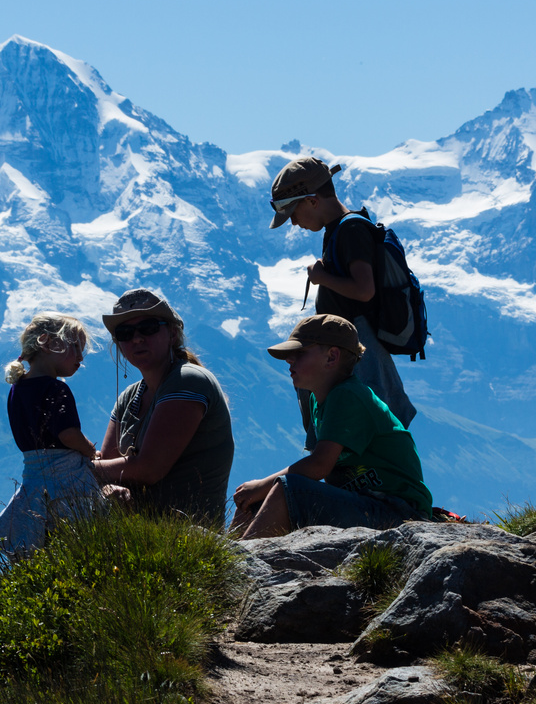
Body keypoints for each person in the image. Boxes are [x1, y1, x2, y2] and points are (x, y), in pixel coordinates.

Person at [232, 314, 432, 539]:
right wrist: (258, 492)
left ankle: (240, 565)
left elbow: (319, 466)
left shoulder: (347, 395)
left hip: (396, 511)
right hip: (366, 504)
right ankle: (228, 558)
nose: (289, 360)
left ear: (331, 357)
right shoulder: (318, 400)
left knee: (288, 490)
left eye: (299, 353)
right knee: (259, 498)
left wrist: (260, 485)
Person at [269, 156, 417, 444]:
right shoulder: (339, 230)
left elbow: (364, 290)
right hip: (354, 347)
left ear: (312, 200)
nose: (294, 223)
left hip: (357, 347)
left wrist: (322, 277)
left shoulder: (350, 229)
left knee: (359, 433)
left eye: (293, 212)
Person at [91, 288, 234, 525]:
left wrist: (77, 469)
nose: (136, 338)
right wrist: (103, 480)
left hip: (189, 534)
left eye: (148, 327)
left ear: (173, 334)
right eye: (125, 333)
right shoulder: (129, 398)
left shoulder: (188, 379)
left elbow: (149, 468)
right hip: (140, 531)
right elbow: (108, 467)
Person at [0, 312, 103, 552]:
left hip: (32, 477)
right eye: (75, 347)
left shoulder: (17, 388)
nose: (80, 357)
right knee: (80, 540)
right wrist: (91, 450)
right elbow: (68, 434)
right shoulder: (57, 388)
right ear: (47, 343)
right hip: (66, 481)